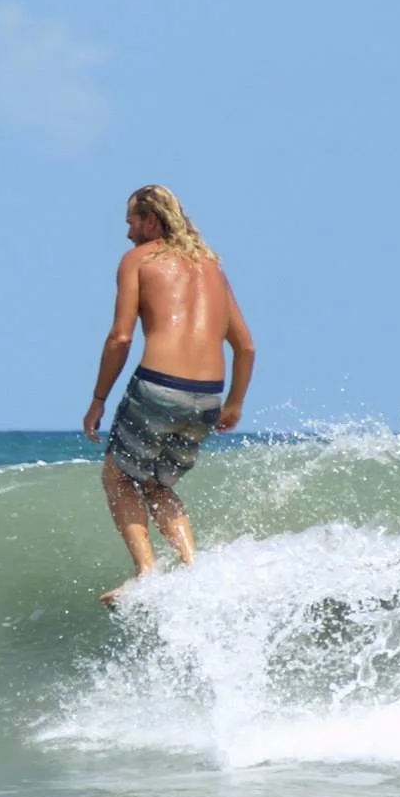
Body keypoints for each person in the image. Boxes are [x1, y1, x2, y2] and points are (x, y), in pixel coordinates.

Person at [81, 184, 255, 604]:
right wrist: (234, 402)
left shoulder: (137, 261)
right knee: (157, 484)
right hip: (209, 395)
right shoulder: (213, 268)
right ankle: (192, 569)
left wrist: (98, 399)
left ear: (151, 220)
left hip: (160, 385)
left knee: (118, 475)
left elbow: (120, 338)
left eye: (131, 222)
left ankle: (146, 573)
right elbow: (246, 347)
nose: (127, 234)